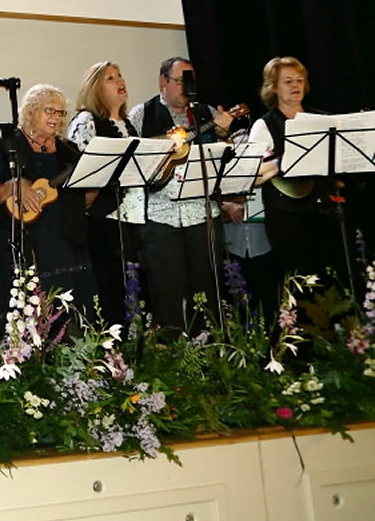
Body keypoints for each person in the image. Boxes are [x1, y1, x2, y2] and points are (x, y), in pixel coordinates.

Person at [128, 57, 244, 330]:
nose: (187, 88)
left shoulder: (206, 114)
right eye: (182, 81)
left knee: (207, 291)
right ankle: (173, 357)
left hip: (203, 214)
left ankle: (210, 351)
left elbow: (225, 164)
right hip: (160, 216)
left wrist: (224, 134)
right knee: (167, 292)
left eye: (191, 82)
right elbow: (133, 161)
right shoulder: (141, 114)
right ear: (163, 81)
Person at [0, 84, 94, 326]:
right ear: (31, 111)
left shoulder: (69, 152)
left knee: (68, 320)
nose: (55, 117)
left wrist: (97, 182)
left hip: (66, 246)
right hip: (23, 246)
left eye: (60, 113)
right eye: (49, 111)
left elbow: (84, 200)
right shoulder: (7, 146)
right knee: (23, 322)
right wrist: (13, 185)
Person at [248, 57, 345, 286]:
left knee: (333, 278)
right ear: (273, 87)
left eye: (300, 80)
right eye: (288, 81)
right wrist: (282, 162)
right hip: (286, 213)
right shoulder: (265, 125)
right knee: (301, 279)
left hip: (323, 209)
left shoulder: (321, 119)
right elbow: (253, 174)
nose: (295, 86)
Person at [67, 61, 142, 325]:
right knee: (110, 293)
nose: (120, 81)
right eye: (110, 78)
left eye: (120, 75)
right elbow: (78, 172)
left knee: (134, 292)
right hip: (103, 221)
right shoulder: (88, 120)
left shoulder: (129, 123)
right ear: (95, 87)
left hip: (133, 217)